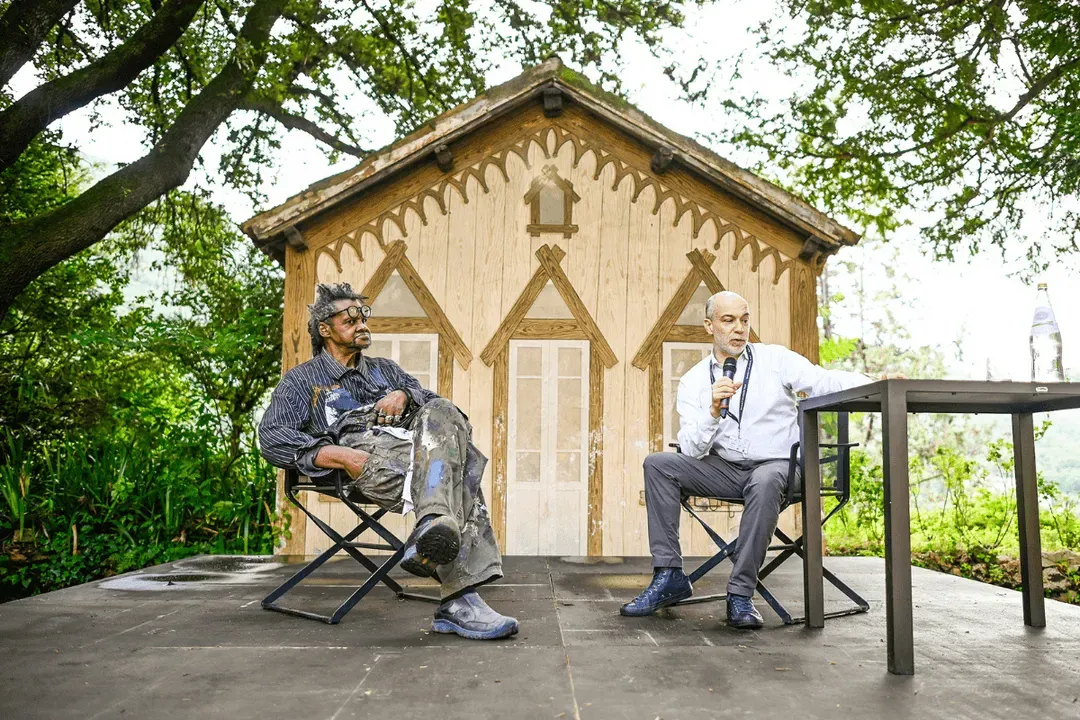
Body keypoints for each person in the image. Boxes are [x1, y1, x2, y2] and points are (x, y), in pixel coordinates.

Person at [259, 282, 517, 640]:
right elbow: (273, 437)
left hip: (418, 454)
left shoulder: (384, 371)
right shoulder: (302, 381)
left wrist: (404, 394)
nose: (362, 323)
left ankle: (434, 522)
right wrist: (342, 456)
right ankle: (458, 597)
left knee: (441, 410)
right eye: (350, 318)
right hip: (361, 458)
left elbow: (448, 417)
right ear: (325, 329)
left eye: (364, 315)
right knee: (463, 469)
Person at [620, 290, 875, 629]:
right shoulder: (695, 380)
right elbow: (693, 450)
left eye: (744, 320)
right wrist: (713, 412)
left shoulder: (775, 359)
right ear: (710, 326)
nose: (739, 329)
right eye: (728, 321)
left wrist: (877, 382)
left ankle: (740, 594)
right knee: (658, 464)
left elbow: (823, 381)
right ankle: (669, 575)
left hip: (781, 467)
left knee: (766, 479)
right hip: (726, 469)